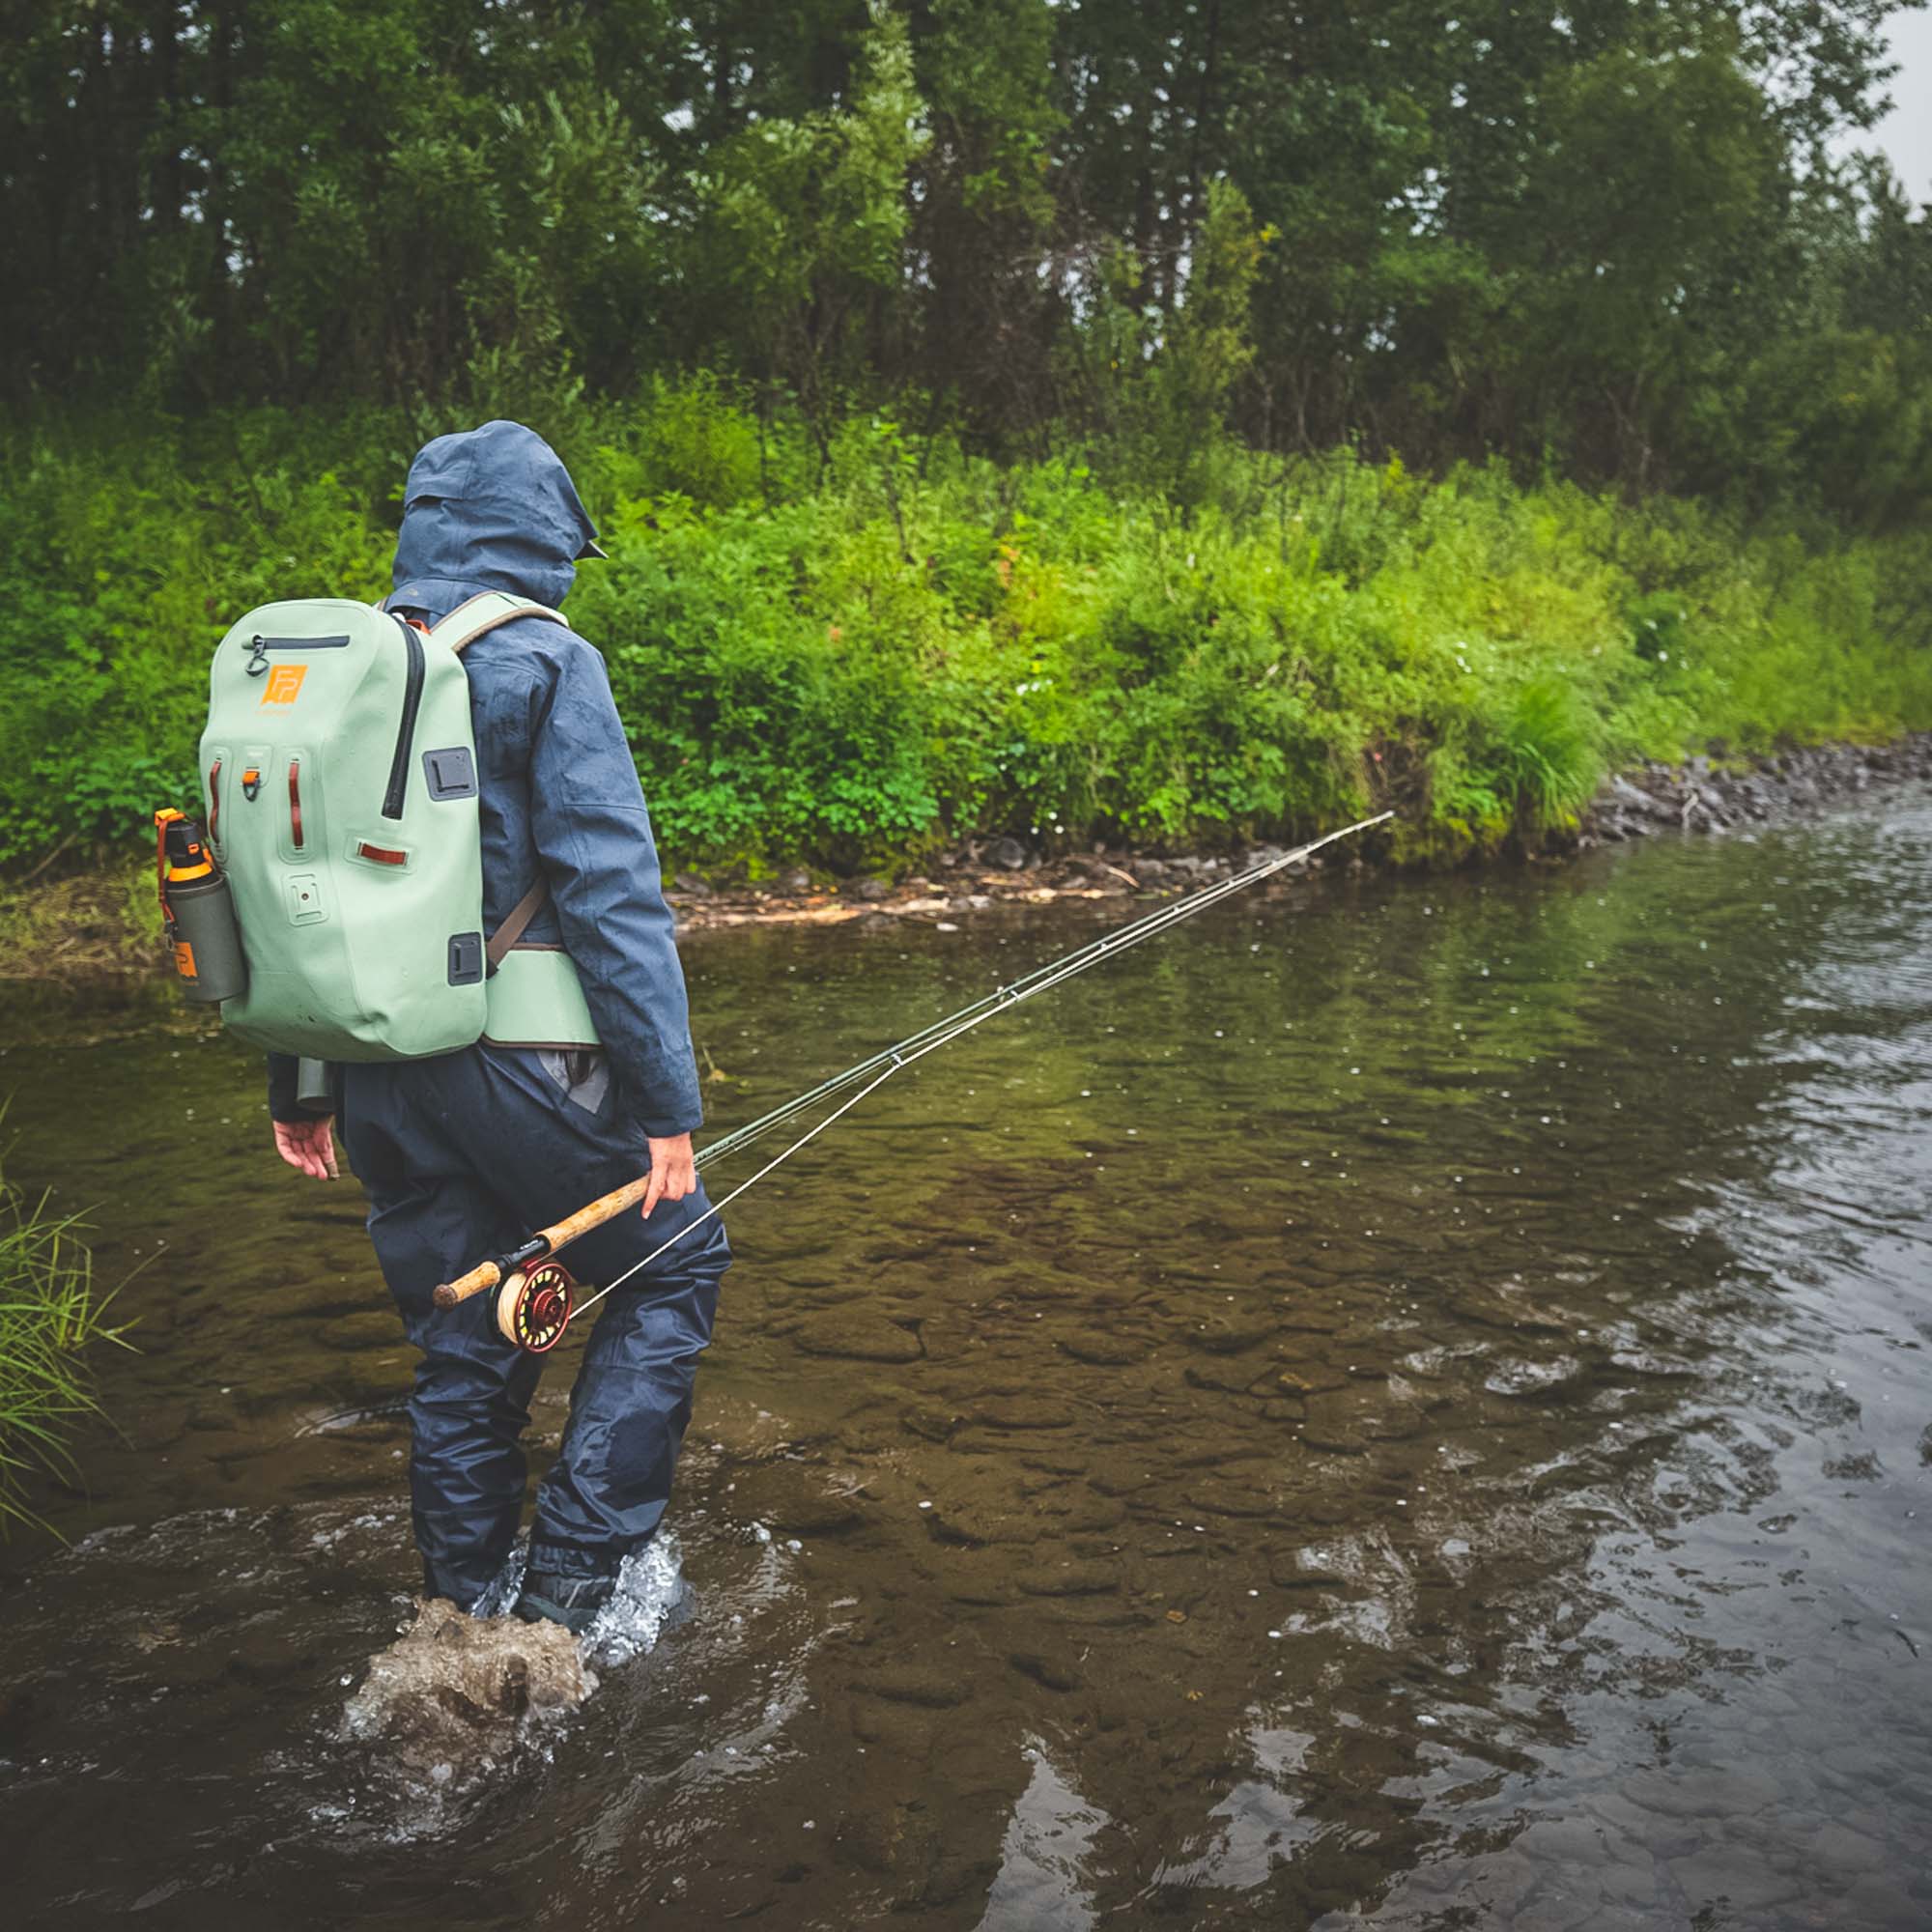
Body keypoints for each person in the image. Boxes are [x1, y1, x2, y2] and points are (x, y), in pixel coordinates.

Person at [268, 420, 728, 1634]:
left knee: (469, 1336)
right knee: (676, 1256)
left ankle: (460, 1619)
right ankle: (573, 1598)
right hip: (519, 1065)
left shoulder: (344, 660)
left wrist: (302, 1081)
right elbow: (612, 891)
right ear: (545, 533)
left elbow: (292, 884)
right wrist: (666, 1105)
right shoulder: (540, 657)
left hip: (369, 1065)